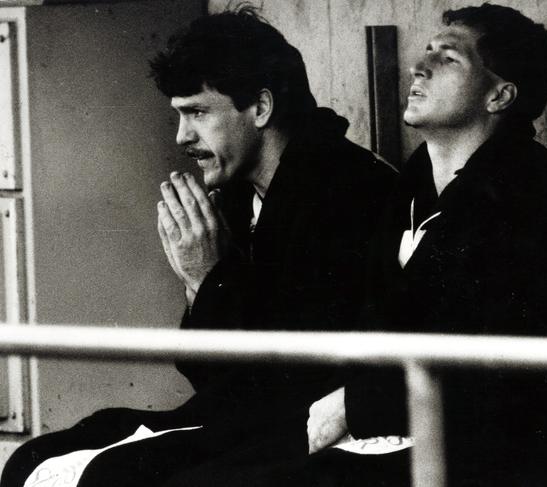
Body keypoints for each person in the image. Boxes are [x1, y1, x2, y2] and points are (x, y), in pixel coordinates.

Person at [0, 7, 395, 487]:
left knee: (110, 476)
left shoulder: (346, 191)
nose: (182, 136)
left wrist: (211, 278)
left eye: (198, 113)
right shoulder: (236, 192)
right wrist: (198, 283)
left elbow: (291, 381)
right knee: (32, 458)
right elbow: (205, 371)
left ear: (262, 108)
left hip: (304, 428)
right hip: (238, 413)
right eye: (179, 115)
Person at [302, 3, 547, 486]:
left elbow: (502, 380)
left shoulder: (535, 202)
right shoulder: (411, 185)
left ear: (499, 95)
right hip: (384, 433)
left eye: (449, 59)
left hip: (490, 459)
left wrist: (359, 404)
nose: (419, 67)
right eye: (427, 52)